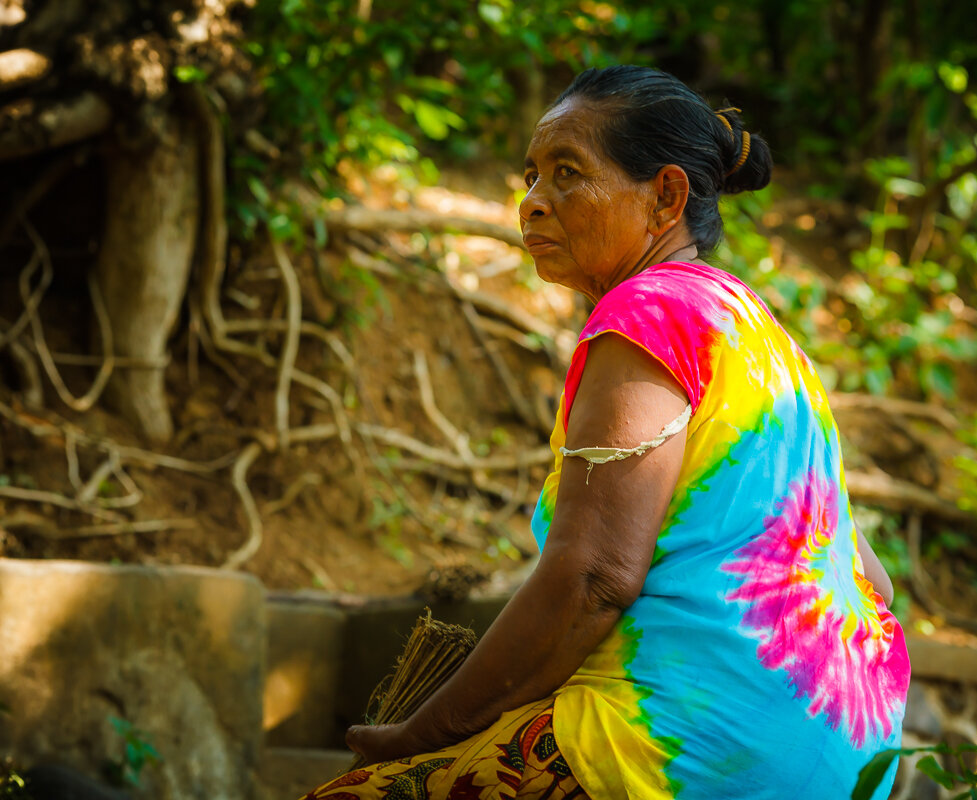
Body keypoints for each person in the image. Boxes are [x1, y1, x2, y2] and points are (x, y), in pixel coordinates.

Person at [302, 65, 909, 800]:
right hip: (850, 752)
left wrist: (421, 734)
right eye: (530, 175)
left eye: (567, 173)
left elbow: (593, 579)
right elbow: (870, 581)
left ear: (665, 196)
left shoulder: (648, 314)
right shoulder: (765, 339)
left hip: (688, 744)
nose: (531, 204)